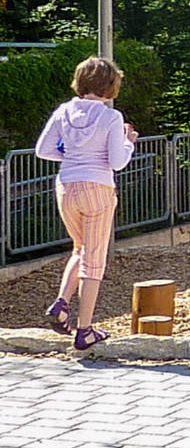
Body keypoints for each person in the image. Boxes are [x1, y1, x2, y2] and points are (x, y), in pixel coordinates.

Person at [35, 57, 137, 350]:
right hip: (98, 187)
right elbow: (117, 161)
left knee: (79, 248)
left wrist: (71, 155)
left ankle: (61, 303)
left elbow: (43, 150)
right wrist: (129, 142)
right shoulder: (111, 117)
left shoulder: (64, 111)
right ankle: (85, 329)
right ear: (110, 85)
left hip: (66, 186)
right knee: (94, 260)